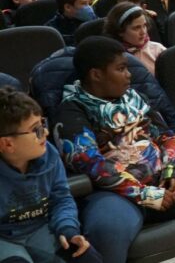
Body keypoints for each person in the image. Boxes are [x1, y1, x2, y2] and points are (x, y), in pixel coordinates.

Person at [55, 37, 175, 262]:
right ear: (96, 74)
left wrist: (173, 169)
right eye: (121, 69)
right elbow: (90, 163)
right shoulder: (71, 110)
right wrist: (145, 194)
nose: (129, 74)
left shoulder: (133, 98)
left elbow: (167, 136)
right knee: (107, 230)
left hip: (160, 179)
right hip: (114, 195)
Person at [0, 87, 103, 263]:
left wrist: (68, 229)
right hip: (4, 240)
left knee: (85, 256)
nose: (45, 133)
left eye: (43, 124)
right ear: (7, 144)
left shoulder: (49, 154)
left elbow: (61, 198)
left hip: (41, 229)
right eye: (36, 130)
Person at [104, 2, 165, 75]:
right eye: (136, 28)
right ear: (120, 31)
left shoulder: (157, 49)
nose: (143, 32)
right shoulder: (114, 59)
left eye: (144, 25)